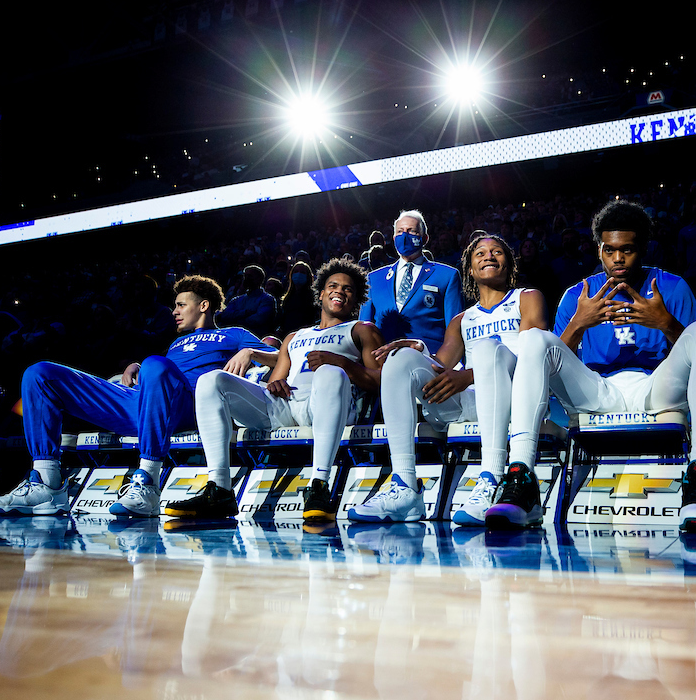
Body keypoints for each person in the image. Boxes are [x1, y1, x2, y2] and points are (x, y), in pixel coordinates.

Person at [488, 199, 696, 532]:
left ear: (643, 247)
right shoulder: (578, 295)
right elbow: (551, 361)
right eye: (609, 250)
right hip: (597, 390)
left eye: (627, 250)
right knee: (533, 340)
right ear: (598, 249)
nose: (617, 258)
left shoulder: (671, 286)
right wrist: (578, 323)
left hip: (655, 388)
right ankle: (522, 479)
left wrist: (666, 323)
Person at [0, 276, 278, 518]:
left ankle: (147, 483)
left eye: (181, 305)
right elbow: (158, 369)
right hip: (144, 403)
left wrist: (251, 351)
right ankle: (47, 483)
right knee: (39, 374)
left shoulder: (233, 334)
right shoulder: (174, 344)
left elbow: (279, 354)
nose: (173, 311)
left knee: (154, 365)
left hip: (190, 404)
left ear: (204, 306)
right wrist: (139, 366)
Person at [347, 235, 549, 524]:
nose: (488, 256)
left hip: (516, 398)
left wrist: (468, 376)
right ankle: (404, 485)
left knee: (489, 349)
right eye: (480, 253)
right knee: (399, 359)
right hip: (471, 401)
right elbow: (441, 365)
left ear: (509, 263)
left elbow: (532, 359)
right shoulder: (462, 320)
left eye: (497, 252)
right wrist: (418, 349)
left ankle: (492, 478)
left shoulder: (527, 298)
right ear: (469, 268)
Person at [178, 260, 384, 522]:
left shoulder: (361, 329)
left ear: (356, 299)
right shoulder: (295, 337)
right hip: (287, 405)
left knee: (330, 372)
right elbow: (277, 381)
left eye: (348, 289)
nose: (340, 291)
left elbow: (379, 380)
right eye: (333, 286)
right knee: (212, 380)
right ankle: (219, 489)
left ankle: (319, 486)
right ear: (320, 293)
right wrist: (274, 383)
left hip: (330, 404)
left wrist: (342, 362)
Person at [360, 209, 464, 354]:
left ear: (425, 238)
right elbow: (364, 330)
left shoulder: (447, 276)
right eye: (400, 231)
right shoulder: (373, 279)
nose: (404, 236)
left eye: (411, 231)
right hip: (383, 362)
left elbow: (455, 330)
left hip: (429, 360)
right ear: (394, 236)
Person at [217, 264, 277, 338]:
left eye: (250, 276)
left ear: (259, 279)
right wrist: (245, 313)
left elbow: (258, 319)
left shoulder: (267, 299)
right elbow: (225, 315)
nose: (246, 279)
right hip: (235, 338)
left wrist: (235, 321)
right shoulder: (236, 300)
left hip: (256, 338)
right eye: (245, 276)